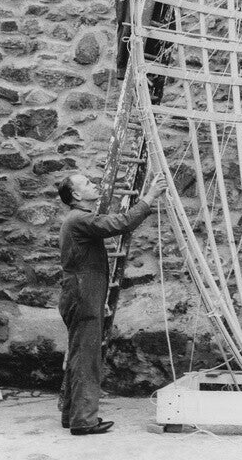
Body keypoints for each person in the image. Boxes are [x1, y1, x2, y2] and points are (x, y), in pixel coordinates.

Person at [57, 170, 167, 435]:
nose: (94, 185)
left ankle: (72, 415)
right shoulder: (80, 219)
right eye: (87, 183)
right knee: (87, 358)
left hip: (83, 293)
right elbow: (120, 223)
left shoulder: (79, 219)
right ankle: (84, 421)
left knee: (79, 354)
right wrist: (149, 196)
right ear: (76, 195)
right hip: (83, 294)